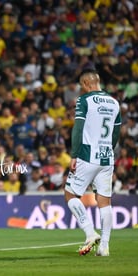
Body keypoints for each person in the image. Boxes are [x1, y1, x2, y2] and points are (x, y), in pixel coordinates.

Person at [64, 69, 121, 257]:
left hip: (87, 155)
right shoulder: (114, 103)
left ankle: (89, 232)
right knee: (105, 202)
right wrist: (108, 150)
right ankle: (104, 247)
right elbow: (115, 135)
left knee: (70, 194)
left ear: (87, 84)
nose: (82, 90)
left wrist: (74, 154)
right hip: (107, 157)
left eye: (82, 86)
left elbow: (78, 128)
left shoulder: (84, 100)